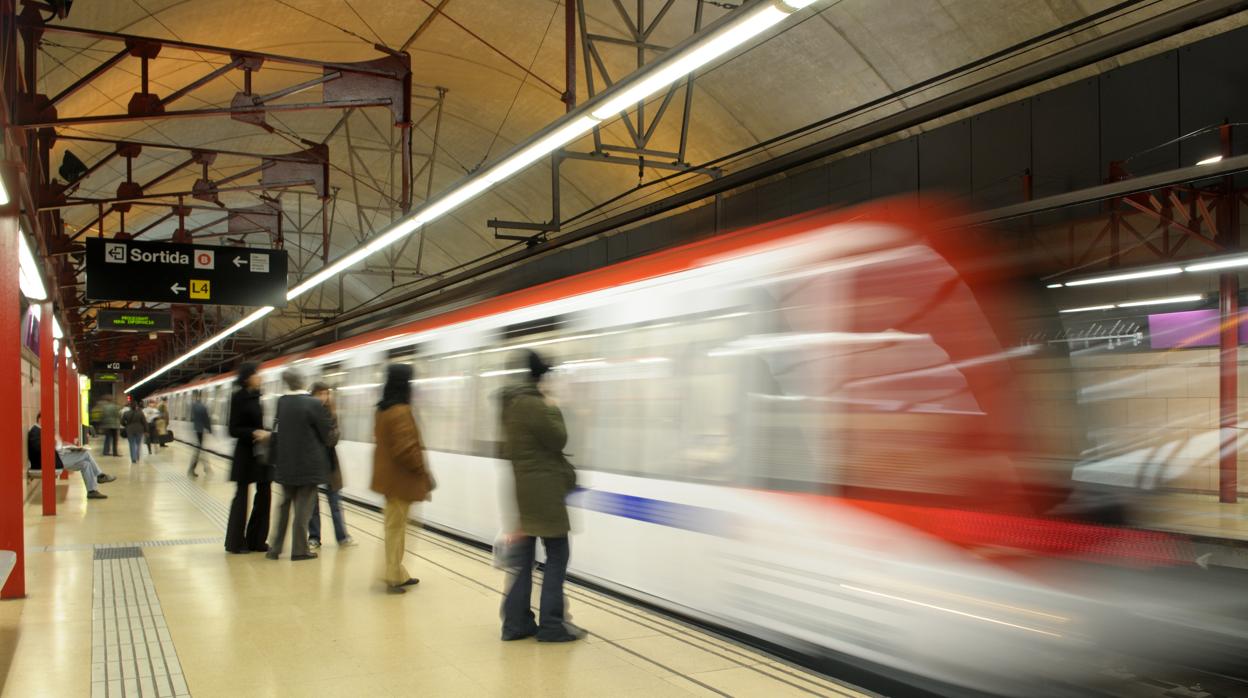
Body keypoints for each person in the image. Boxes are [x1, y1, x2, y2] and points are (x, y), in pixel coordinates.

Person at [499, 350, 583, 642]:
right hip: (545, 491)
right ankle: (551, 624)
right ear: (540, 377)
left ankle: (516, 622)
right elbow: (559, 439)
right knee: (558, 554)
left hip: (523, 489)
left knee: (523, 558)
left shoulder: (509, 404)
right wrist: (551, 405)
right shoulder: (536, 405)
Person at [370, 363, 435, 594]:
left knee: (396, 528)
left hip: (392, 480)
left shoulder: (383, 409)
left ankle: (397, 572)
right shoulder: (400, 411)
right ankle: (392, 576)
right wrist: (423, 472)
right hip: (401, 481)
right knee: (396, 529)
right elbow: (406, 449)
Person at [266, 368, 334, 561]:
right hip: (308, 466)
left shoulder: (282, 402)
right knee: (303, 511)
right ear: (302, 381)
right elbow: (326, 433)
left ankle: (275, 548)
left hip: (286, 464)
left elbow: (276, 429)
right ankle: (299, 550)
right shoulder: (312, 403)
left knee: (284, 508)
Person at [225, 362, 272, 554]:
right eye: (256, 374)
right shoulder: (239, 397)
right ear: (247, 378)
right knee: (242, 498)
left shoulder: (257, 396)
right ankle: (236, 543)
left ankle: (257, 540)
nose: (260, 377)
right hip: (245, 454)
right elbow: (233, 429)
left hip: (260, 455)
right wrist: (254, 432)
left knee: (265, 494)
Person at [308, 382, 355, 549]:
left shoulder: (332, 414)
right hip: (312, 464)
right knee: (312, 505)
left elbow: (332, 439)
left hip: (329, 464)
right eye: (320, 394)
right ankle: (314, 537)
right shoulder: (308, 412)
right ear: (312, 395)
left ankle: (342, 537)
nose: (323, 397)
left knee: (335, 503)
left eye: (326, 394)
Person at [27, 415, 116, 499]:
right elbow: (39, 448)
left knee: (85, 464)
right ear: (40, 419)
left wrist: (67, 446)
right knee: (85, 454)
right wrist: (54, 442)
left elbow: (53, 446)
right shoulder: (35, 431)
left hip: (56, 458)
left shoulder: (42, 430)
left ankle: (92, 491)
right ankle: (99, 475)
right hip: (49, 461)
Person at [188, 391, 212, 477]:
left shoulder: (193, 406)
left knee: (200, 449)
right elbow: (206, 419)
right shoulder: (202, 406)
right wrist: (209, 429)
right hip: (200, 431)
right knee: (199, 450)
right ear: (201, 396)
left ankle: (206, 467)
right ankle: (192, 469)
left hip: (196, 430)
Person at [121, 399, 147, 464]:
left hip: (130, 430)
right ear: (136, 406)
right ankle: (137, 456)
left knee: (132, 444)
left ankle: (133, 458)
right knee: (138, 444)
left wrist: (126, 425)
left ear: (130, 406)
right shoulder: (140, 413)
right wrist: (146, 430)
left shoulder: (126, 413)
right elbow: (144, 422)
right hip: (139, 430)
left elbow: (121, 422)